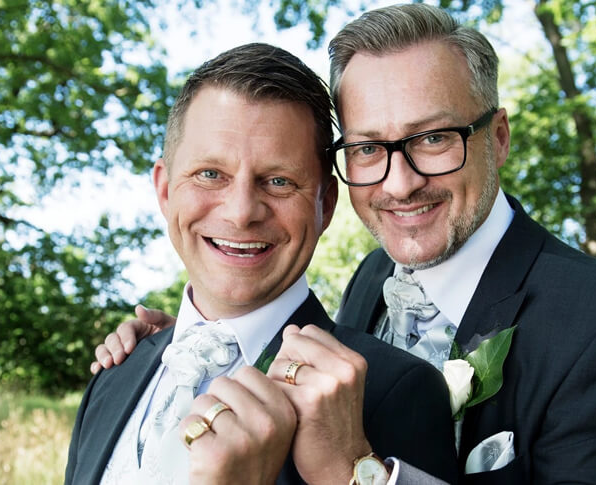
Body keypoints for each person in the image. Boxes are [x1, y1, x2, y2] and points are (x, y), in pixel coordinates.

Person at [94, 4, 596, 484]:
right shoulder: (373, 277)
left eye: (433, 139)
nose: (400, 184)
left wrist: (356, 473)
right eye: (369, 148)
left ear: (498, 138)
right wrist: (199, 344)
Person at [65, 42, 459, 485]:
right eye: (210, 174)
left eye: (278, 181)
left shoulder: (394, 390)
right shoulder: (115, 373)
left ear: (325, 204)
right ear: (165, 190)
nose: (241, 212)